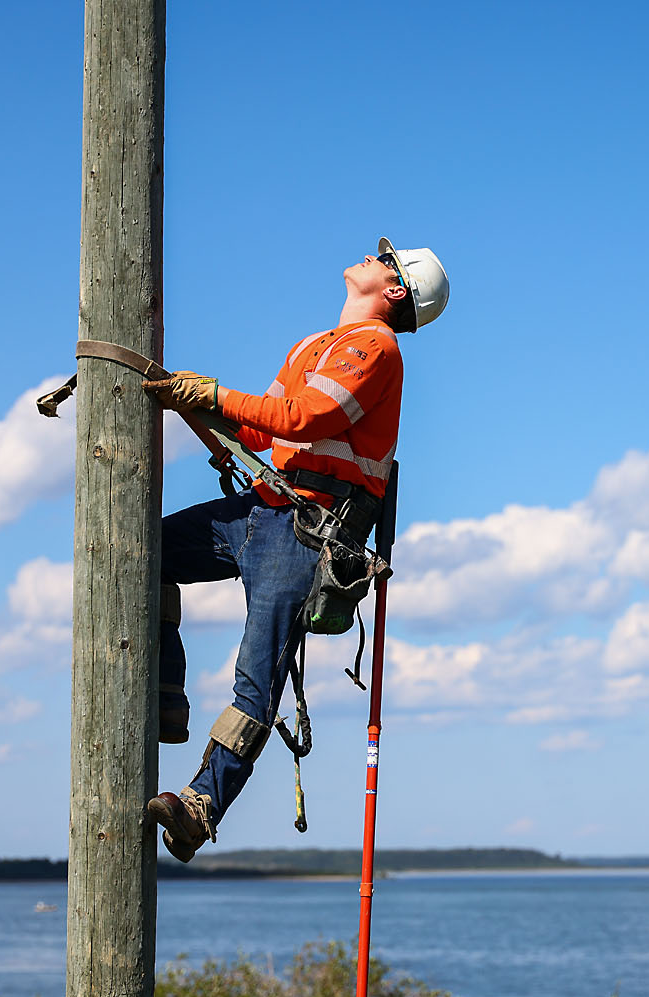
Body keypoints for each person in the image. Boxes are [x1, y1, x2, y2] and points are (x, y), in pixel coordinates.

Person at [141, 239, 449, 862]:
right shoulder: (313, 345)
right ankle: (168, 694)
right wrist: (197, 402)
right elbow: (263, 426)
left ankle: (201, 807)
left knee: (258, 675)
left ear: (395, 291)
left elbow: (307, 417)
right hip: (260, 509)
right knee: (143, 556)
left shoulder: (376, 347)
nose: (371, 252)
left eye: (385, 258)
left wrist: (212, 396)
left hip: (305, 527)